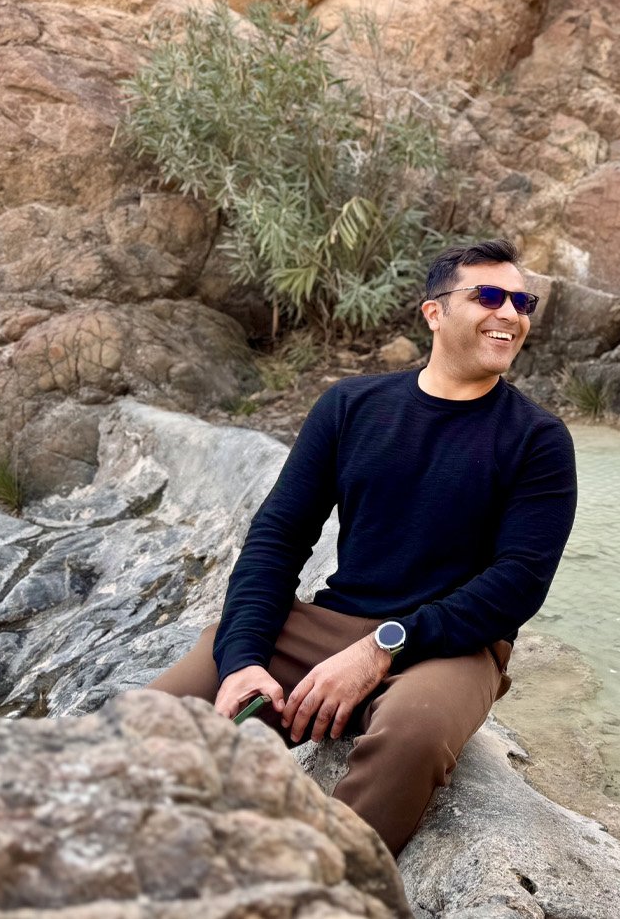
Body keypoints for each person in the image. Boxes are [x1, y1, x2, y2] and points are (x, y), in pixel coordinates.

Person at [149, 239, 577, 854]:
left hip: (452, 647)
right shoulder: (350, 407)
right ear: (434, 313)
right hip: (331, 625)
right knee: (155, 717)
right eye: (489, 296)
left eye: (522, 301)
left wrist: (381, 649)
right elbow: (278, 538)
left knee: (414, 734)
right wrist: (243, 658)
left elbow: (518, 583)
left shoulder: (538, 439)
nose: (510, 313)